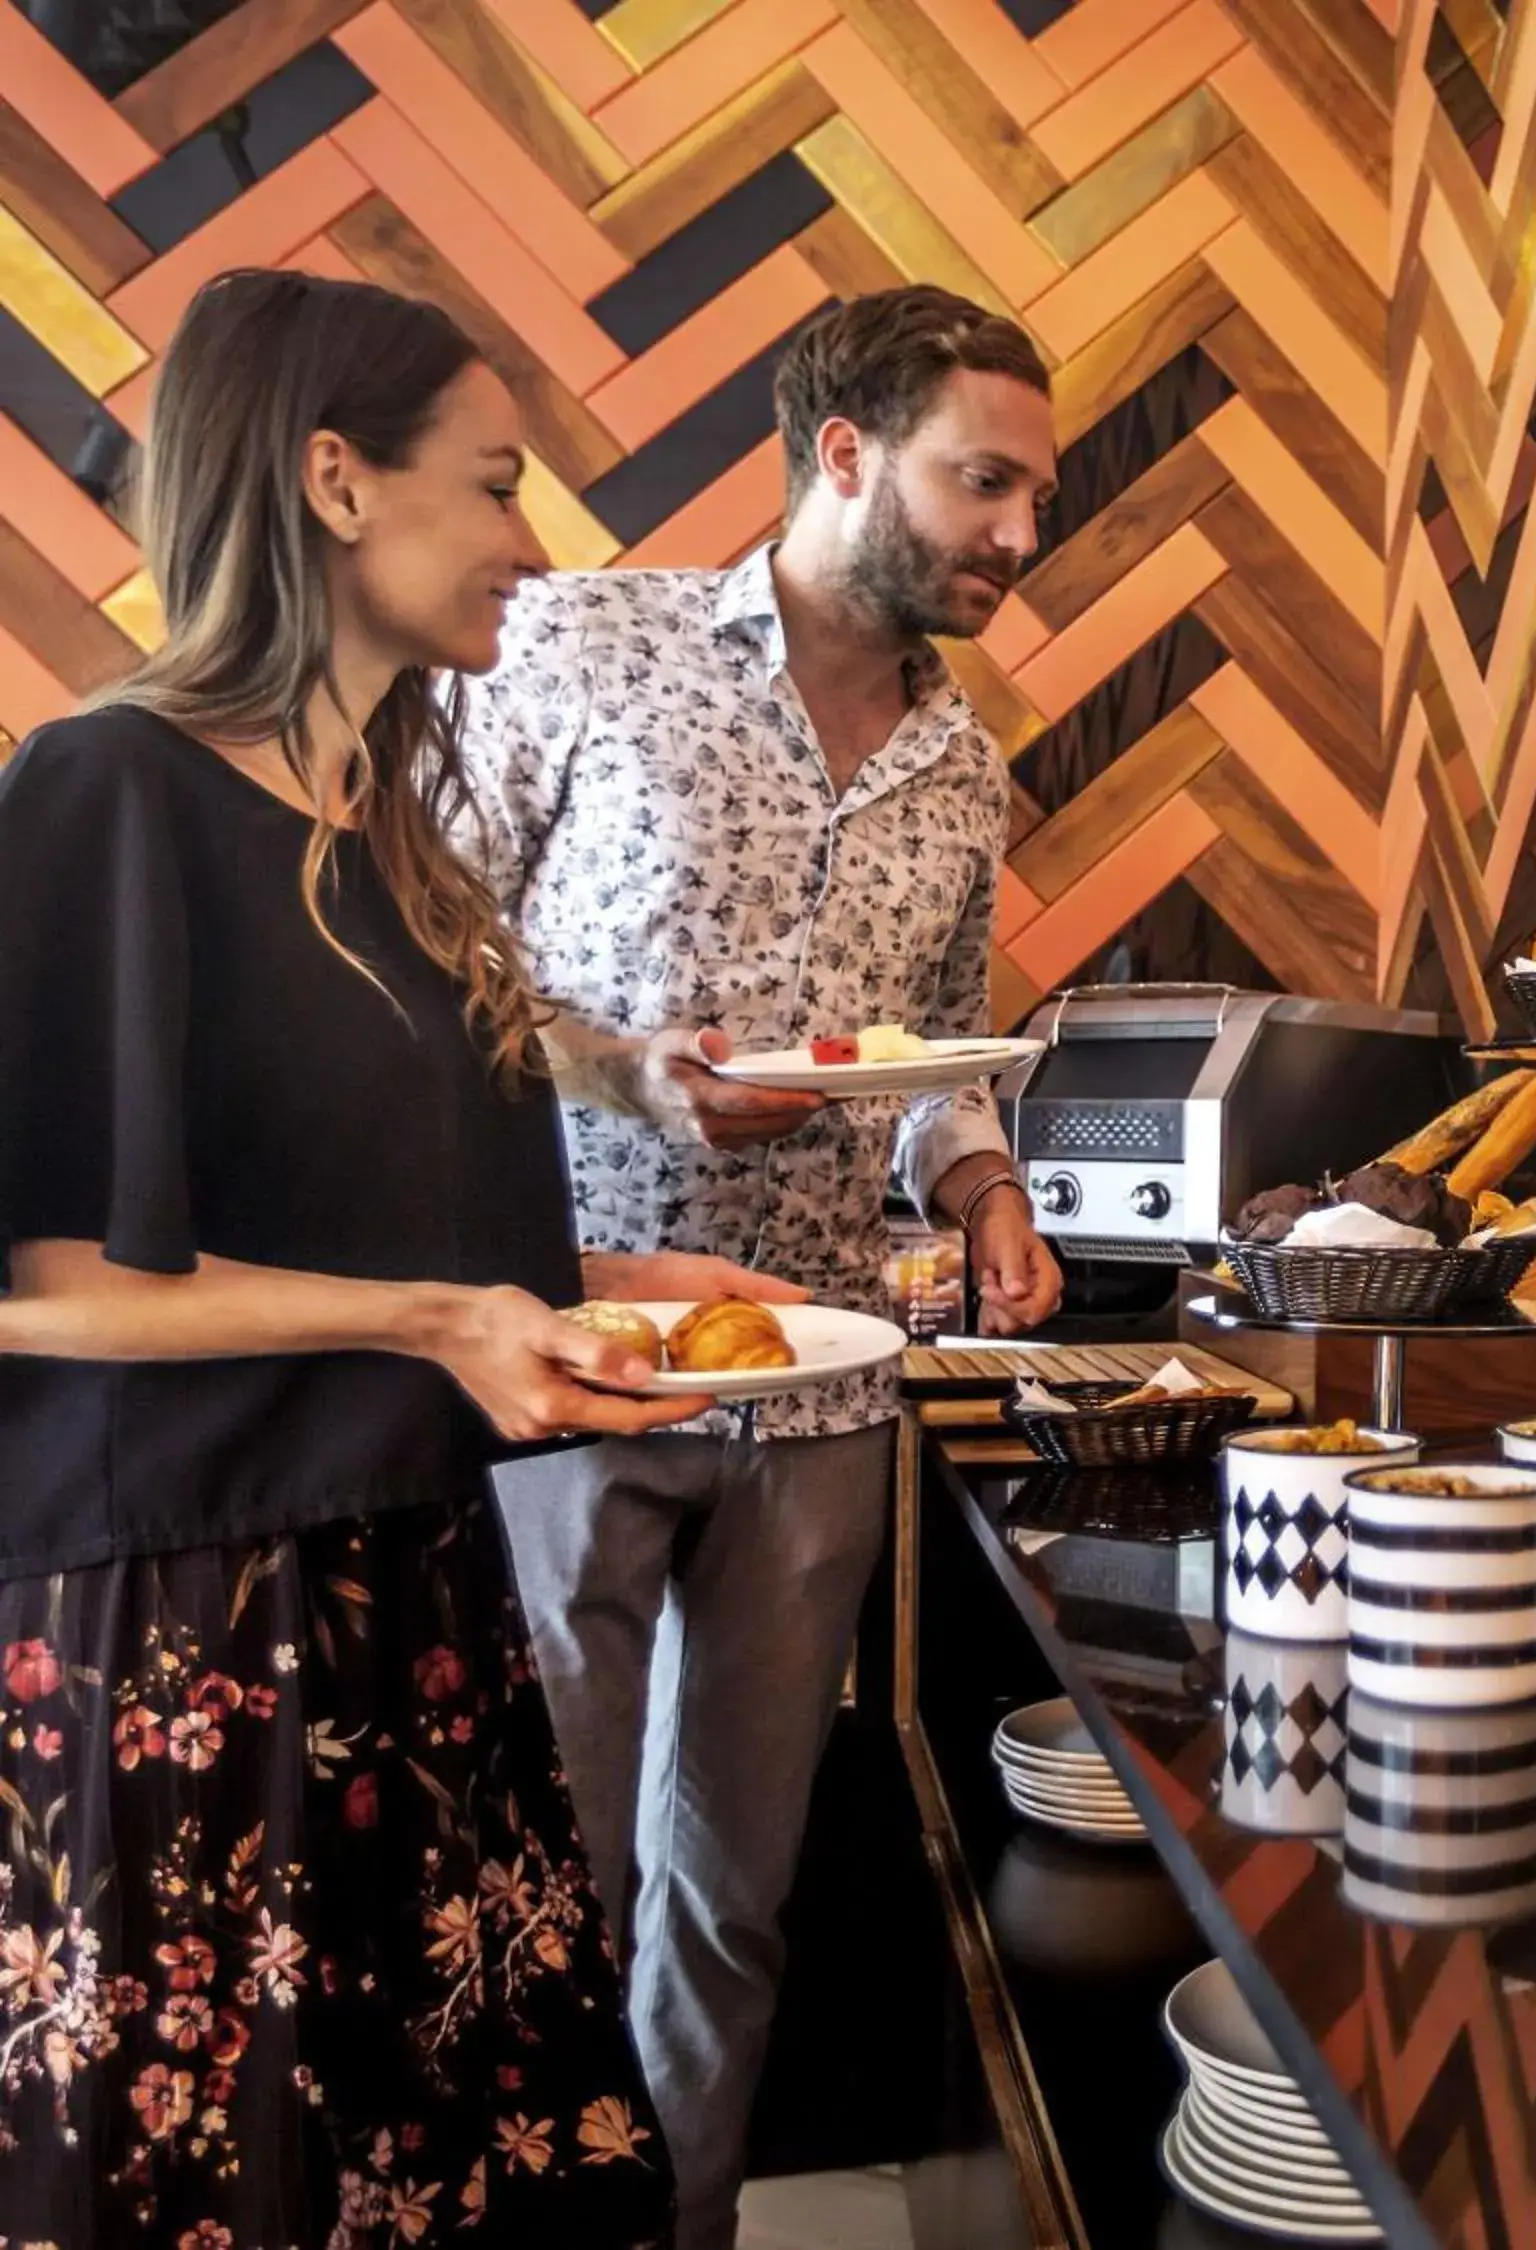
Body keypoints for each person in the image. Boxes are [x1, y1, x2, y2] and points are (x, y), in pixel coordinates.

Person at [0, 270, 789, 2243]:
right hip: (195, 1622)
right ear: (335, 481)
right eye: (501, 483)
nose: (535, 541)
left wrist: (617, 1298)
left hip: (408, 1590)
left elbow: (400, 1239)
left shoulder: (383, 833)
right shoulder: (109, 788)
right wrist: (446, 1319)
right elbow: (41, 1278)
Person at [463, 286, 1066, 2247]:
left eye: (1034, 497)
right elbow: (425, 953)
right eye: (987, 482)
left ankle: (686, 2228)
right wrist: (625, 1068)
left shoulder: (968, 770)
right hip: (573, 1348)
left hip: (813, 1389)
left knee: (734, 1899)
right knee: (555, 1881)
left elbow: (934, 1062)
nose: (1019, 536)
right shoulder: (581, 639)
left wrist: (983, 1192)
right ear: (841, 452)